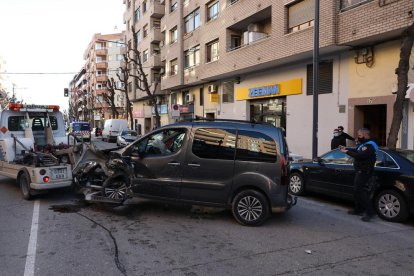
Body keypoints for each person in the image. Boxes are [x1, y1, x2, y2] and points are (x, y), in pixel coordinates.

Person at [339, 128, 378, 222]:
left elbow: (360, 155)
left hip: (365, 172)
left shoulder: (370, 145)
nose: (358, 137)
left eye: (360, 135)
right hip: (360, 171)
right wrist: (346, 148)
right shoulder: (363, 145)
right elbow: (357, 151)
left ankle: (370, 212)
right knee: (357, 191)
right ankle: (358, 210)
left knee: (360, 191)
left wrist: (346, 152)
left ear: (365, 135)